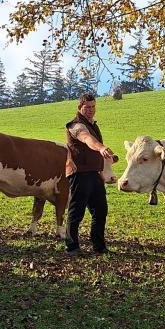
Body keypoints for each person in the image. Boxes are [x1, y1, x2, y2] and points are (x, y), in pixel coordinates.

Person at [64, 93, 115, 255]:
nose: (91, 110)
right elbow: (86, 139)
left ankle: (99, 246)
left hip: (94, 174)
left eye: (93, 107)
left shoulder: (93, 125)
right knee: (76, 211)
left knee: (101, 210)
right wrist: (101, 148)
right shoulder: (75, 125)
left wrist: (101, 170)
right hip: (79, 173)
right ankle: (72, 247)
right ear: (80, 108)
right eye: (87, 107)